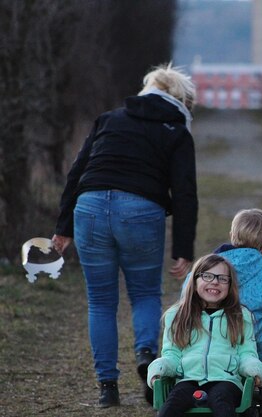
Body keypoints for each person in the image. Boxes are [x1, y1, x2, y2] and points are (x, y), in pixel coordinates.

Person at [51, 63, 199, 408]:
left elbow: (77, 171)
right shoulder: (176, 130)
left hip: (88, 208)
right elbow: (185, 192)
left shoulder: (109, 119)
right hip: (140, 211)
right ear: (181, 100)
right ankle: (147, 358)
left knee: (100, 301)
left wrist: (63, 228)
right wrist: (183, 248)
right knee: (145, 292)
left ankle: (107, 387)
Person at [148, 254, 262, 417]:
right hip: (188, 380)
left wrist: (254, 369)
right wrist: (159, 369)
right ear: (195, 281)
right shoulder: (178, 315)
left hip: (226, 380)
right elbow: (172, 354)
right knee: (172, 404)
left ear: (230, 285)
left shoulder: (240, 316)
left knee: (221, 399)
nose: (215, 282)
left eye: (222, 278)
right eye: (207, 276)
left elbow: (246, 352)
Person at [182, 208, 262, 364]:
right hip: (250, 332)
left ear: (232, 235)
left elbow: (186, 293)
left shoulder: (210, 264)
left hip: (205, 330)